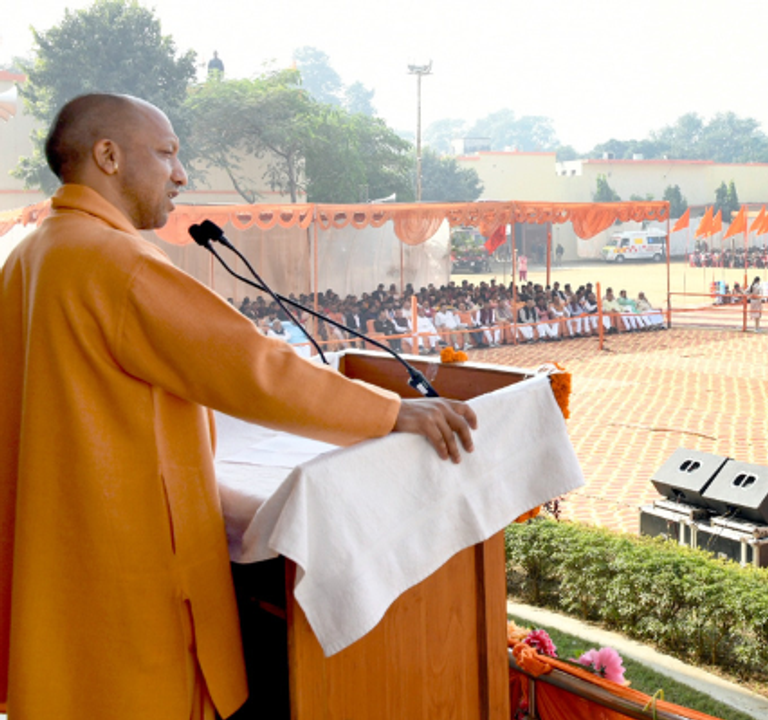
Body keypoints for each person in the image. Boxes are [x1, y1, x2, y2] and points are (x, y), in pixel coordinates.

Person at [0, 94, 478, 719]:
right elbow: (252, 368)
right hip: (126, 559)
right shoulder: (114, 260)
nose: (181, 174)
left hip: (64, 552)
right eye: (167, 153)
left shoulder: (31, 253)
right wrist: (392, 413)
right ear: (108, 157)